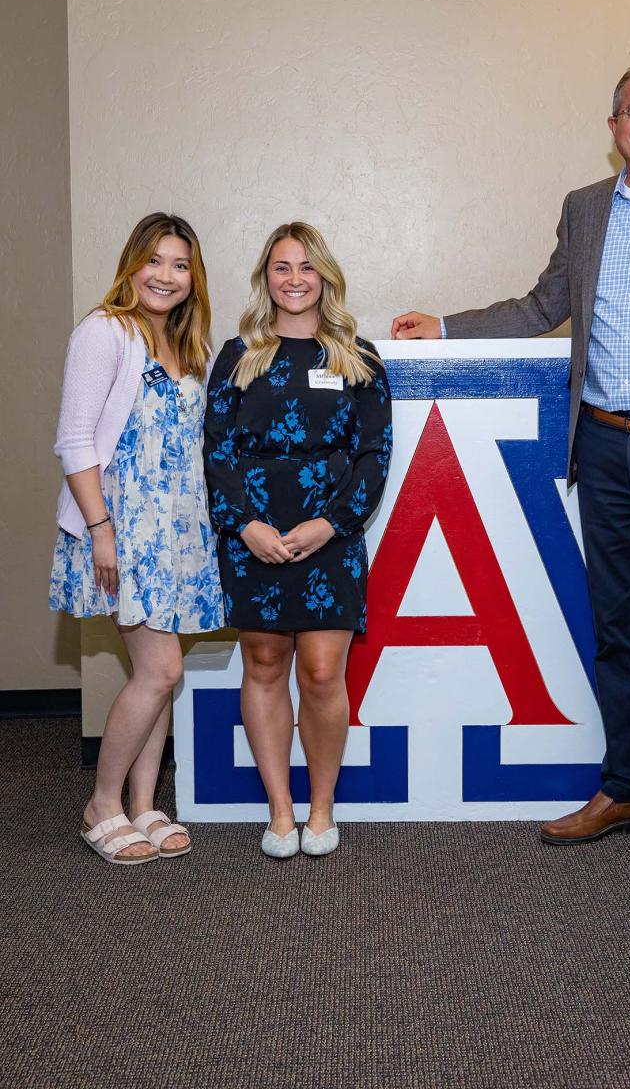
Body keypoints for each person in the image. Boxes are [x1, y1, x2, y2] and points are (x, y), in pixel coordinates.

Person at [391, 63, 630, 867]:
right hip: (603, 449)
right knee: (620, 634)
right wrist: (447, 328)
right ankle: (627, 787)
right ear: (612, 126)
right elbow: (541, 305)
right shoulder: (585, 208)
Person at [204, 222, 392, 858]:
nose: (294, 279)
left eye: (306, 268)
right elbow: (218, 451)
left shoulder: (357, 357)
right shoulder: (238, 355)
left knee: (320, 673)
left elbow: (374, 455)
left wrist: (330, 524)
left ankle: (321, 809)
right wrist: (246, 525)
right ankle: (280, 811)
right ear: (266, 278)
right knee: (262, 665)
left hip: (329, 534)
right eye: (281, 267)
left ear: (325, 279)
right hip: (252, 535)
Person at [50, 213, 224, 864]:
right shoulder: (106, 331)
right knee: (162, 669)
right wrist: (101, 532)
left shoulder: (186, 345)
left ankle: (145, 804)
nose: (166, 275)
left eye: (180, 265)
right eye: (155, 260)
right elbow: (74, 440)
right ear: (132, 264)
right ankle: (102, 802)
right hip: (122, 531)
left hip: (175, 535)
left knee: (157, 675)